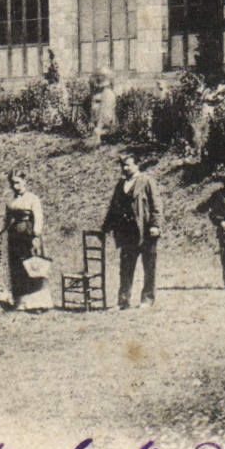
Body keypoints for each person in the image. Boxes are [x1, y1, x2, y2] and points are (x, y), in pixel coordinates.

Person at [101, 154, 162, 309]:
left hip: (145, 231)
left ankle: (147, 299)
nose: (125, 168)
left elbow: (157, 206)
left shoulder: (147, 181)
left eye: (128, 165)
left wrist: (155, 225)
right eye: (123, 165)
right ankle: (123, 301)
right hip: (126, 233)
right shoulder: (121, 184)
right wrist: (105, 228)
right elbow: (113, 208)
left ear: (137, 165)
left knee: (149, 266)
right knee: (126, 268)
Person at [1, 169, 52, 311]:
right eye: (12, 184)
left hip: (28, 236)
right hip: (15, 238)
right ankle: (21, 302)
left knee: (32, 266)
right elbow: (6, 221)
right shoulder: (11, 201)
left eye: (17, 183)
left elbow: (38, 218)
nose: (15, 186)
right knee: (18, 267)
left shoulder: (33, 199)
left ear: (25, 182)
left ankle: (37, 303)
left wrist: (36, 236)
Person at [88, 69, 117, 143]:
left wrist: (99, 126)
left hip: (104, 123)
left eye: (101, 77)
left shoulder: (108, 93)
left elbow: (106, 112)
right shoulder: (97, 93)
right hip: (97, 121)